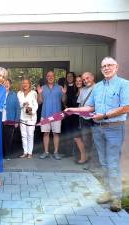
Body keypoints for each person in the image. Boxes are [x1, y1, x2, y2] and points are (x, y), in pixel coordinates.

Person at [65, 57, 129, 212]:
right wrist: (73, 110)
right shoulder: (98, 87)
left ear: (116, 67)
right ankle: (108, 191)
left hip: (114, 128)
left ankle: (116, 198)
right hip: (98, 129)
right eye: (103, 66)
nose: (106, 68)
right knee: (104, 162)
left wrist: (104, 115)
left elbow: (126, 107)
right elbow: (90, 107)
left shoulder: (124, 84)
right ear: (101, 69)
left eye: (109, 65)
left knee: (113, 163)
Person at [37, 70, 67, 160]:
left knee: (56, 134)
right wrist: (39, 93)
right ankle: (46, 152)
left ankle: (56, 152)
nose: (50, 77)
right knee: (46, 133)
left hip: (57, 115)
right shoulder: (42, 88)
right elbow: (39, 102)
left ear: (54, 77)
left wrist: (64, 93)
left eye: (52, 76)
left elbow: (64, 101)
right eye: (48, 76)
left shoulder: (59, 88)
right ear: (46, 78)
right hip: (45, 114)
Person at [77, 72, 98, 169]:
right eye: (83, 79)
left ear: (92, 77)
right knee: (86, 141)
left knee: (97, 141)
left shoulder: (99, 88)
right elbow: (80, 105)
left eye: (87, 78)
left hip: (95, 119)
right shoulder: (82, 90)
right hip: (84, 119)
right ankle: (90, 162)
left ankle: (94, 164)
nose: (85, 81)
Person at [17, 78, 38, 159]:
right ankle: (25, 152)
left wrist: (32, 112)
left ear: (29, 84)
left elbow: (36, 105)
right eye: (23, 83)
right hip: (22, 117)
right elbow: (18, 105)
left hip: (31, 117)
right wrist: (23, 104)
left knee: (30, 135)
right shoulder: (19, 93)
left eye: (27, 83)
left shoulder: (33, 93)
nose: (25, 84)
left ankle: (30, 153)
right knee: (23, 136)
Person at [2, 79, 20, 159]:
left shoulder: (14, 95)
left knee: (8, 138)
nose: (6, 85)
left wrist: (16, 120)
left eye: (8, 83)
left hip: (10, 120)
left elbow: (18, 108)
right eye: (4, 83)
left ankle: (7, 155)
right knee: (0, 138)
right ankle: (0, 154)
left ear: (10, 85)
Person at [71, 75, 87, 163]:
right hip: (75, 117)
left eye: (80, 81)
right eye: (76, 81)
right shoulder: (77, 91)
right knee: (76, 138)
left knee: (78, 138)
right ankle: (81, 156)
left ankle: (84, 157)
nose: (78, 82)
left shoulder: (84, 92)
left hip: (81, 118)